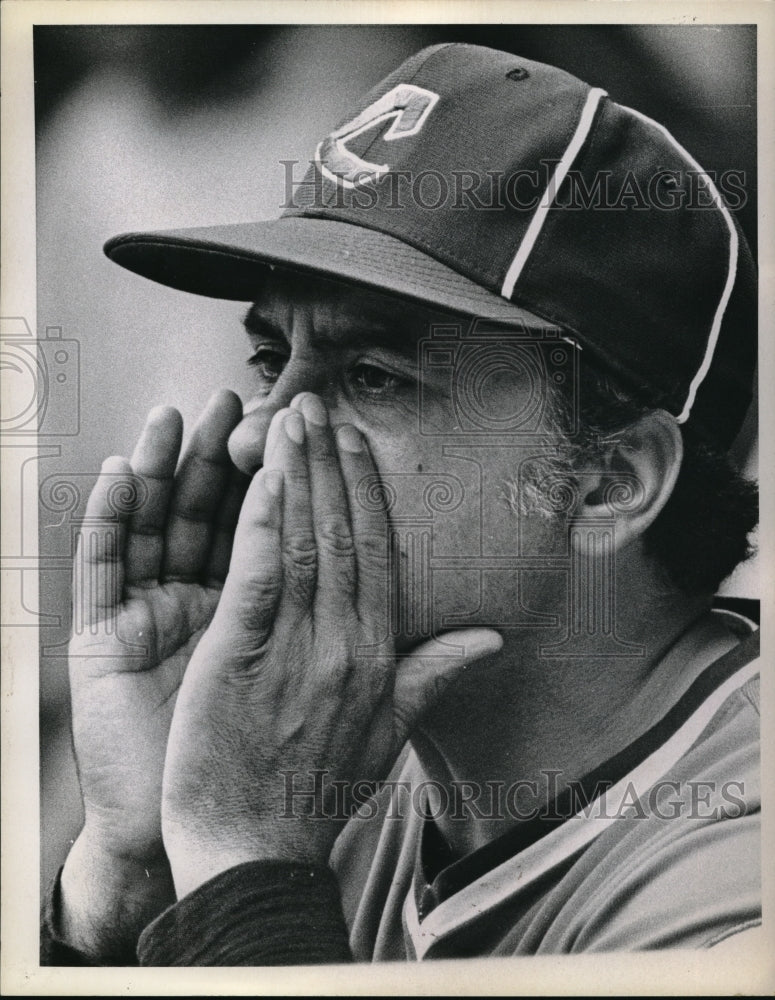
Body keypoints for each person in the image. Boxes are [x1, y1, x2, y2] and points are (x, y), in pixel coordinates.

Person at [41, 43, 760, 964]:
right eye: (272, 360)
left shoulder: (735, 887)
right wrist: (136, 868)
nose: (257, 436)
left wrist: (244, 860)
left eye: (373, 376)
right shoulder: (326, 759)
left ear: (608, 481)